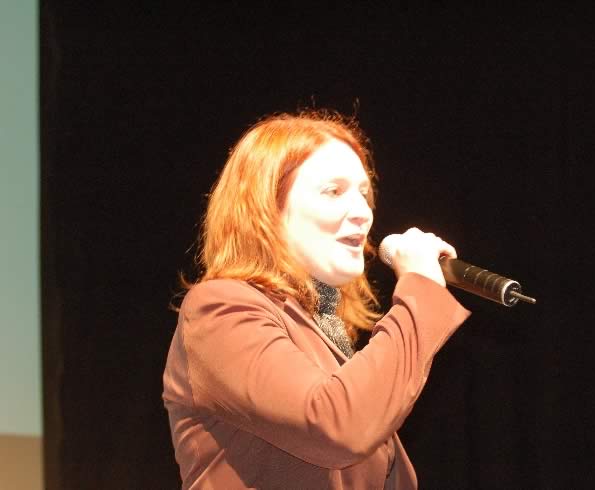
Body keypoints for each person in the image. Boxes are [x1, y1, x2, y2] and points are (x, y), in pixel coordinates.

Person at [162, 110, 470, 489]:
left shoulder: (325, 335)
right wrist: (419, 291)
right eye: (334, 191)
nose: (363, 212)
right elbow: (337, 426)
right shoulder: (219, 310)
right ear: (267, 209)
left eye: (364, 194)